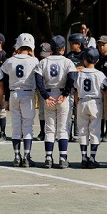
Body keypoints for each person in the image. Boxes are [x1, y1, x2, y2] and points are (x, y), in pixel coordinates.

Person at [35, 35, 77, 169]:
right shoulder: (67, 62)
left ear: (51, 49)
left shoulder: (43, 62)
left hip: (49, 95)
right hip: (61, 96)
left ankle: (48, 158)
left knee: (50, 129)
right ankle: (63, 158)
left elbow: (38, 81)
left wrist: (45, 96)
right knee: (63, 128)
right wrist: (65, 94)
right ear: (63, 48)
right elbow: (71, 79)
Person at [1, 33, 39, 167]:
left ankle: (17, 156)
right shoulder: (34, 61)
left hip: (14, 94)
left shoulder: (10, 60)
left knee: (16, 126)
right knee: (28, 126)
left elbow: (4, 77)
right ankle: (26, 157)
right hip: (28, 94)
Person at [73, 47, 106, 168]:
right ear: (97, 60)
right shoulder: (100, 74)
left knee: (82, 131)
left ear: (84, 60)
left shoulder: (80, 73)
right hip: (95, 102)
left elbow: (76, 89)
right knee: (95, 131)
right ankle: (92, 157)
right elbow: (104, 90)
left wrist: (77, 100)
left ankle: (83, 157)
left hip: (82, 101)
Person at [65, 33, 85, 142]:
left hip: (82, 88)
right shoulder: (69, 56)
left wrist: (81, 68)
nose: (71, 45)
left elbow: (88, 67)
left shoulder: (85, 55)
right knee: (69, 110)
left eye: (73, 43)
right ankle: (67, 134)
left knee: (79, 111)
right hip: (71, 87)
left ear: (79, 44)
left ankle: (77, 133)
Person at [34, 42, 52, 141]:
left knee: (52, 112)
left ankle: (51, 132)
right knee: (41, 111)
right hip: (42, 89)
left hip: (53, 89)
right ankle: (42, 132)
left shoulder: (54, 62)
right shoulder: (39, 63)